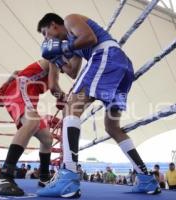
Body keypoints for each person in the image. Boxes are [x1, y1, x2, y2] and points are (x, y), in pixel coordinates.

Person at [36, 13, 160, 197]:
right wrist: (58, 59)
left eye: (45, 33)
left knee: (72, 106)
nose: (46, 39)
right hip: (121, 66)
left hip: (106, 55)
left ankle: (68, 176)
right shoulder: (73, 43)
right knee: (112, 127)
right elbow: (72, 71)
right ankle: (146, 178)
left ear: (54, 25)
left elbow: (90, 38)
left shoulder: (70, 19)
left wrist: (62, 47)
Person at [0, 59, 65, 196]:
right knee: (32, 122)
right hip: (22, 89)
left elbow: (16, 74)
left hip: (26, 93)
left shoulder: (55, 63)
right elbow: (54, 88)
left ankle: (44, 177)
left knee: (47, 139)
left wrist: (5, 87)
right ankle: (4, 176)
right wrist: (63, 97)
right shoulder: (56, 57)